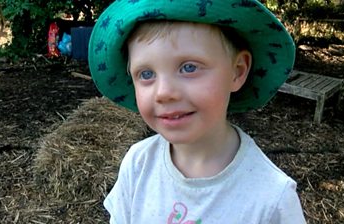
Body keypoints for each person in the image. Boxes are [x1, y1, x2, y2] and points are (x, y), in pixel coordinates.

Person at [88, 0, 306, 223]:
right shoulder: (138, 164)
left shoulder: (272, 200)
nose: (163, 93)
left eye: (189, 67)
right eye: (146, 74)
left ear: (237, 71)